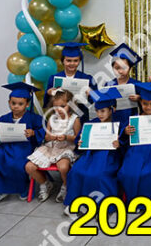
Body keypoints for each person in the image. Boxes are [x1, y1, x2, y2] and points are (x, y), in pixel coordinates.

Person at [0, 82, 44, 205]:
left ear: (27, 104)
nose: (16, 107)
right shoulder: (3, 118)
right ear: (9, 102)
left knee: (17, 162)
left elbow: (42, 132)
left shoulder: (35, 118)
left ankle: (22, 187)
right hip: (6, 146)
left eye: (20, 104)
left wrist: (34, 133)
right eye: (13, 103)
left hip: (24, 146)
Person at [63, 88, 123, 216]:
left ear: (112, 110)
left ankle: (102, 206)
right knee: (76, 171)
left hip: (109, 157)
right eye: (97, 111)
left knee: (98, 175)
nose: (99, 114)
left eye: (103, 111)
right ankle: (75, 203)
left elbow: (124, 144)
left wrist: (119, 144)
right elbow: (80, 141)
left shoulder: (119, 124)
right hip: (90, 155)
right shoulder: (91, 123)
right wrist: (80, 143)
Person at [118, 82, 151, 203]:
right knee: (128, 173)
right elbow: (124, 140)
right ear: (140, 103)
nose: (149, 107)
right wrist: (126, 132)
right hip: (136, 153)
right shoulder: (134, 119)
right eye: (145, 104)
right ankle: (133, 202)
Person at [25, 89, 80, 202]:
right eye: (56, 107)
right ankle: (45, 184)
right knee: (29, 167)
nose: (59, 110)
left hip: (66, 148)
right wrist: (51, 137)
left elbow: (78, 138)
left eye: (63, 106)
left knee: (63, 167)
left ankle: (66, 186)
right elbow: (46, 137)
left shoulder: (75, 120)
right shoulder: (52, 119)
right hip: (51, 147)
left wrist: (66, 137)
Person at [45, 42, 97, 123]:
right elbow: (48, 101)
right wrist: (49, 92)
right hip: (60, 115)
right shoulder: (55, 78)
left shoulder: (86, 78)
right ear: (63, 61)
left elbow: (95, 99)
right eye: (68, 60)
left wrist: (91, 93)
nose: (72, 63)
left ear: (79, 61)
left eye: (75, 61)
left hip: (80, 114)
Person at [104, 43, 142, 129]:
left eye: (124, 68)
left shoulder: (137, 85)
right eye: (117, 68)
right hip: (114, 123)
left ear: (130, 68)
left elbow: (146, 105)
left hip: (131, 123)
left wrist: (140, 98)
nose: (120, 71)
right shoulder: (108, 85)